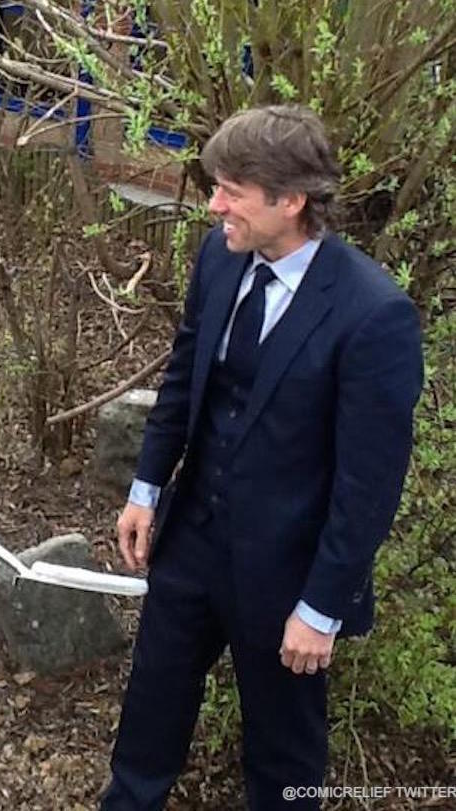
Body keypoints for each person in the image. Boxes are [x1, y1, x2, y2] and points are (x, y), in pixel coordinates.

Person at [101, 105, 423, 810]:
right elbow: (184, 379)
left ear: (291, 200)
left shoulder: (373, 314)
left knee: (284, 763)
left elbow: (369, 484)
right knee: (147, 720)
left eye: (231, 191)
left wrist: (322, 607)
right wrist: (147, 488)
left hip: (289, 576)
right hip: (190, 542)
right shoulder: (221, 256)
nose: (213, 204)